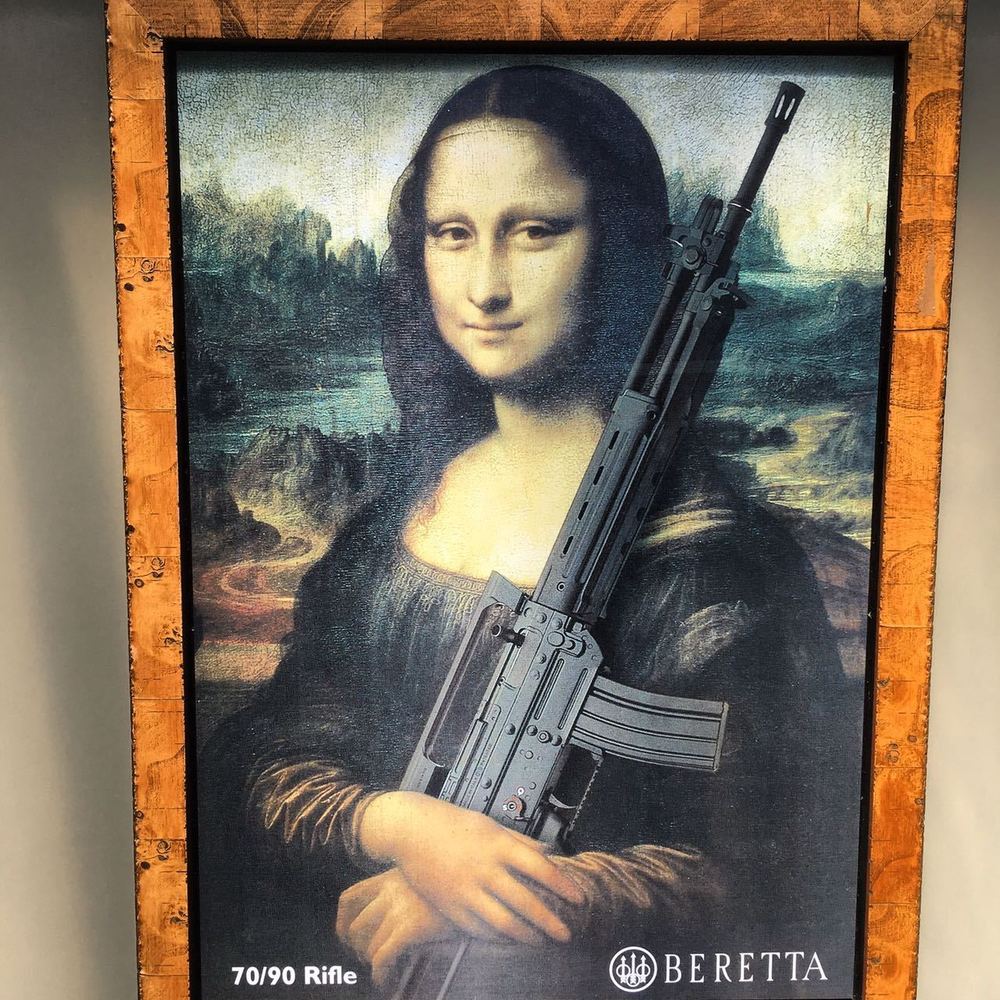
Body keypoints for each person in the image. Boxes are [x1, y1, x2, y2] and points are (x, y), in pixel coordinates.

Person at [198, 65, 858, 998]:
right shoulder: (387, 538)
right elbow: (257, 762)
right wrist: (401, 829)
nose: (486, 286)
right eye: (453, 234)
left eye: (536, 231)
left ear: (615, 248)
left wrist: (517, 892)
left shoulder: (721, 564)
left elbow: (791, 868)